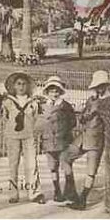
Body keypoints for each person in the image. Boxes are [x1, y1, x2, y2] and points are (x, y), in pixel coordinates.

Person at [63, 70, 110, 210]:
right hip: (84, 136)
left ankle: (83, 199)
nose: (99, 89)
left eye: (102, 86)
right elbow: (81, 118)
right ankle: (71, 190)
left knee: (91, 170)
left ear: (106, 86)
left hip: (96, 139)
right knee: (65, 157)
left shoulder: (109, 101)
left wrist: (98, 110)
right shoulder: (91, 100)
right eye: (97, 86)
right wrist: (89, 110)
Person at [2, 72, 45, 204]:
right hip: (13, 136)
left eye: (24, 84)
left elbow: (38, 118)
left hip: (29, 136)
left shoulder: (33, 103)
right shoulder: (7, 102)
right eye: (18, 84)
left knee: (31, 164)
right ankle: (13, 193)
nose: (21, 87)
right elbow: (6, 118)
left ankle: (34, 193)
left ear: (28, 86)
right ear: (14, 86)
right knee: (13, 164)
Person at [38, 76, 77, 204]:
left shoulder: (66, 106)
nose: (54, 94)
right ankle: (57, 190)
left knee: (66, 166)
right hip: (48, 141)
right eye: (51, 91)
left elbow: (73, 122)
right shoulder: (43, 106)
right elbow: (40, 123)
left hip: (63, 141)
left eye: (56, 91)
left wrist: (63, 131)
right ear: (47, 92)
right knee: (53, 167)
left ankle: (70, 191)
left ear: (60, 92)